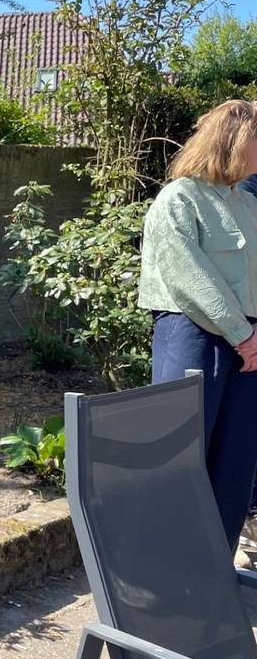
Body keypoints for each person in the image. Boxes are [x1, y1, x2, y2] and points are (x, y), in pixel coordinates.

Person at [139, 98, 257, 554]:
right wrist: (242, 334)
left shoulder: (246, 203)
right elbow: (188, 275)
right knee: (181, 457)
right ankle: (168, 570)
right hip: (192, 335)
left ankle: (214, 570)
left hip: (248, 344)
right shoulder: (179, 197)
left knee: (237, 460)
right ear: (236, 140)